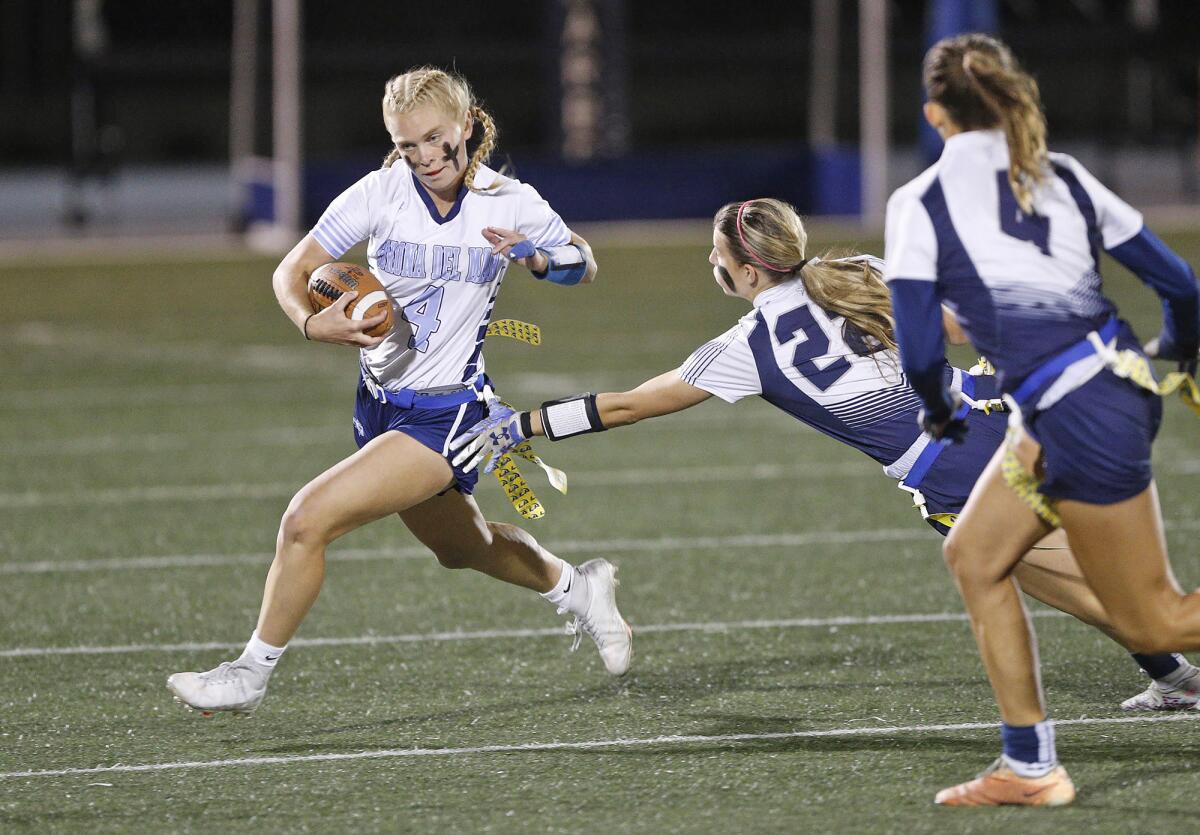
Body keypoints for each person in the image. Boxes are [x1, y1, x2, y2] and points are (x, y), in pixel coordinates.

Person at [448, 196, 1199, 720]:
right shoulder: (859, 268)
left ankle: (1173, 665)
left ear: (744, 272)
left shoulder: (748, 344)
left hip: (958, 478)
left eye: (717, 256)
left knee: (1128, 601)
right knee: (1101, 588)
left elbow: (632, 403)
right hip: (1011, 426)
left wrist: (526, 426)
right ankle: (1173, 680)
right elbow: (963, 325)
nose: (712, 267)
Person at [167, 67, 632, 716]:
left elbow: (585, 263)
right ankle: (579, 589)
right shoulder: (381, 192)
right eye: (406, 143)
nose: (423, 157)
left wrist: (539, 258)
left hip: (449, 413)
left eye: (434, 138)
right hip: (381, 403)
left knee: (305, 520)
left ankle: (249, 673)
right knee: (462, 548)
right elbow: (291, 269)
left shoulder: (510, 200)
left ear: (467, 125)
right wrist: (308, 317)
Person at [883, 33, 1200, 807]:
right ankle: (1030, 766)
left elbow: (921, 348)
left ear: (935, 114)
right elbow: (1181, 283)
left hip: (1082, 413)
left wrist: (935, 409)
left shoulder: (918, 200)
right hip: (1082, 399)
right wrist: (1183, 351)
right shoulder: (1064, 176)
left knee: (1154, 620)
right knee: (976, 556)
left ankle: (1032, 766)